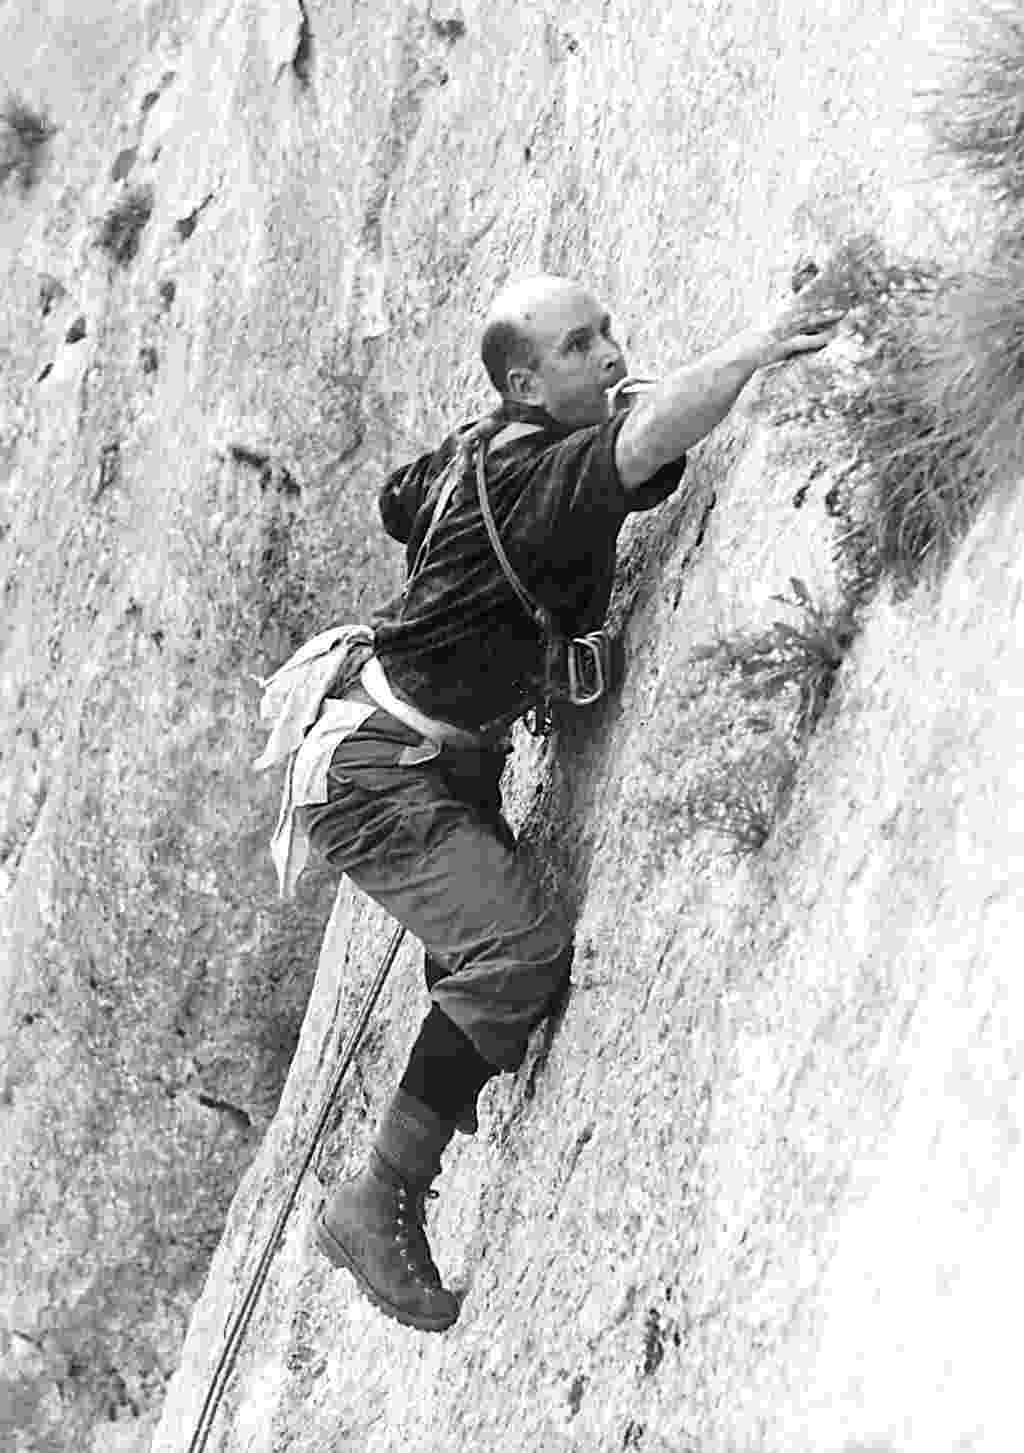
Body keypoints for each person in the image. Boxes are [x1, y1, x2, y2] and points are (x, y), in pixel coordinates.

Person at [255, 273, 841, 1333]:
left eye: (609, 331)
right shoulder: (540, 481)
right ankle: (374, 1195)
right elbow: (643, 437)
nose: (611, 352)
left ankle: (454, 1031)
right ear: (527, 377)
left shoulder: (482, 451)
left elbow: (399, 496)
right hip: (379, 771)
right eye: (582, 345)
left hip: (411, 743)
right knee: (517, 949)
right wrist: (756, 344)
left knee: (493, 976)